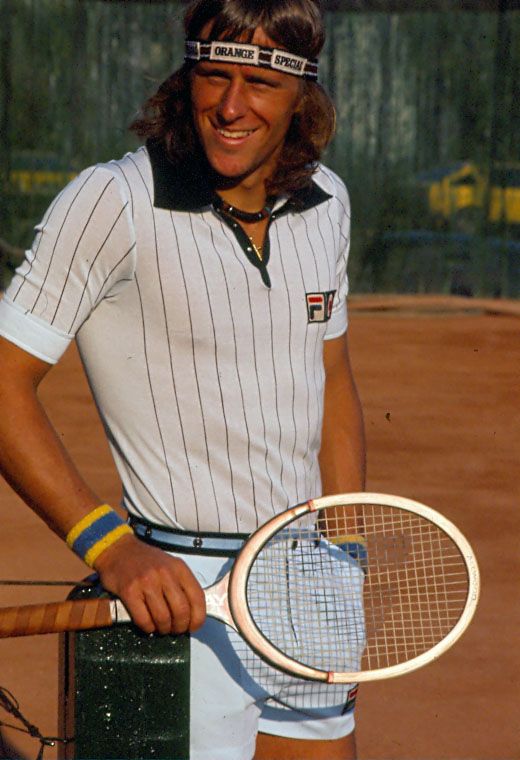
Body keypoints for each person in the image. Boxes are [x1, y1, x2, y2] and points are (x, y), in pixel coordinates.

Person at [0, 0, 366, 758]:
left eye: (261, 84)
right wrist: (111, 548)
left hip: (310, 582)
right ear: (186, 77)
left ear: (302, 92)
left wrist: (347, 551)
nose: (231, 106)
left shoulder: (328, 202)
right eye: (214, 76)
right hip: (172, 592)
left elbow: (329, 373)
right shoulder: (114, 201)